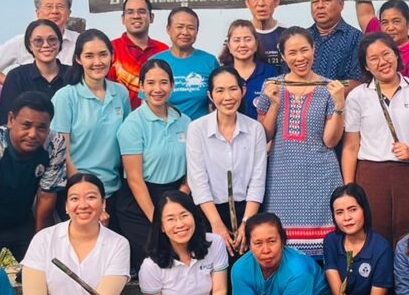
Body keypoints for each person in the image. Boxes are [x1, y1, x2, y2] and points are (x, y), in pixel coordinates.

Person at [342, 32, 409, 245]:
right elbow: (351, 146)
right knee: (374, 236)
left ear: (396, 55)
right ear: (366, 66)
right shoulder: (358, 96)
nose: (382, 62)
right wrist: (349, 188)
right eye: (373, 58)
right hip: (371, 174)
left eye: (386, 54)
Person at [256, 27, 345, 258]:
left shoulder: (329, 88)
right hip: (282, 177)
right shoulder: (271, 85)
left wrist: (339, 105)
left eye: (304, 50)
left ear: (314, 49)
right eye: (292, 53)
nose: (300, 58)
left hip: (321, 177)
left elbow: (330, 141)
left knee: (326, 253)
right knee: (281, 249)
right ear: (283, 56)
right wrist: (274, 104)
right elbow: (264, 135)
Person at [21, 173, 135, 295]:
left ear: (103, 203)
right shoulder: (43, 239)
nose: (83, 205)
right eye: (74, 199)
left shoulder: (118, 243)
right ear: (66, 206)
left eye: (91, 197)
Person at [0, 92, 66, 260]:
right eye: (26, 125)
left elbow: (46, 196)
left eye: (42, 128)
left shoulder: (55, 143)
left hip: (22, 219)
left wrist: (40, 245)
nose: (33, 134)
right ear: (11, 120)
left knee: (32, 265)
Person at [52, 30, 132, 228]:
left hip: (114, 190)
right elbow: (62, 153)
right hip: (78, 194)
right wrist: (87, 196)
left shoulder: (120, 93)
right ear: (78, 59)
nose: (97, 62)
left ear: (112, 56)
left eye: (103, 54)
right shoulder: (65, 97)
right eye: (89, 56)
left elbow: (127, 144)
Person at [116, 59, 191, 270]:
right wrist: (159, 222)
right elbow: (134, 179)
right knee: (157, 261)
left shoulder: (184, 121)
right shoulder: (133, 125)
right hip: (141, 202)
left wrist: (184, 191)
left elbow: (194, 164)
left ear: (172, 86)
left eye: (164, 82)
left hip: (175, 197)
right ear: (141, 86)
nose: (157, 89)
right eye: (150, 83)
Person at [187, 66, 267, 257]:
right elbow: (198, 181)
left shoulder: (255, 129)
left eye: (233, 89)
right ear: (210, 95)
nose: (228, 97)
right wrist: (216, 224)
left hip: (247, 210)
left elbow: (258, 180)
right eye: (220, 91)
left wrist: (247, 222)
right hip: (209, 212)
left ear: (243, 91)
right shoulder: (197, 129)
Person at [138, 191, 231, 295]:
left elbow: (220, 289)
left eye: (184, 215)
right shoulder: (150, 265)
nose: (180, 224)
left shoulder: (215, 243)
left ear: (194, 216)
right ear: (161, 226)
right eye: (171, 219)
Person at [316, 184, 396, 295]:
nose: (347, 217)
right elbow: (337, 289)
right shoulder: (331, 241)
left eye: (352, 209)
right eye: (339, 212)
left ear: (364, 209)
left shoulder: (381, 248)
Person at [0, 0, 78, 84]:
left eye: (60, 6)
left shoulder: (80, 41)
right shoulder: (21, 41)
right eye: (49, 7)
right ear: (38, 13)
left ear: (69, 13)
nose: (54, 11)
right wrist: (14, 85)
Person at [0, 19, 66, 128]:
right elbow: (5, 120)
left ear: (60, 42)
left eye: (52, 40)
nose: (46, 45)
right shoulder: (16, 77)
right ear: (29, 45)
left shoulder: (74, 75)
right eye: (38, 41)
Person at [150, 7, 219, 120]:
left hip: (200, 128)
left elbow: (218, 102)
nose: (185, 32)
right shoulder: (155, 62)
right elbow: (146, 104)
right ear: (168, 29)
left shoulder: (209, 62)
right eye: (179, 27)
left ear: (197, 31)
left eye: (191, 28)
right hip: (165, 128)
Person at [355, 0, 409, 86]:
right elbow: (365, 14)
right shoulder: (378, 36)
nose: (390, 28)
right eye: (385, 22)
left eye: (396, 21)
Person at [108, 0, 169, 109]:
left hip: (157, 117)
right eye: (130, 12)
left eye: (142, 11)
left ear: (151, 17)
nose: (136, 16)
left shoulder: (163, 50)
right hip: (120, 117)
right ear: (123, 19)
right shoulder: (111, 49)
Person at [218, 19, 279, 118]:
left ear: (256, 44)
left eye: (247, 39)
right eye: (237, 40)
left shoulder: (271, 73)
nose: (242, 45)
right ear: (229, 46)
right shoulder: (221, 74)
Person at [308, 0, 363, 81]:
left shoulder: (356, 38)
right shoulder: (303, 37)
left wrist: (325, 90)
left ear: (341, 4)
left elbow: (357, 80)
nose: (320, 6)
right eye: (315, 1)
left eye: (327, 0)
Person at [245, 0, 286, 69]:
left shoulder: (287, 35)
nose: (261, 3)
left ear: (276, 1)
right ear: (247, 3)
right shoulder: (239, 37)